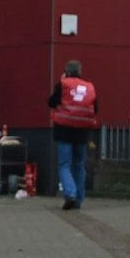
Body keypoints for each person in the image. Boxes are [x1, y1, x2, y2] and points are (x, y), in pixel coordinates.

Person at [46, 59, 98, 210]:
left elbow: (51, 102)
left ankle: (70, 194)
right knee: (79, 165)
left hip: (64, 129)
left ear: (67, 71)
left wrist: (61, 82)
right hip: (81, 131)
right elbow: (96, 108)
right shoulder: (89, 87)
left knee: (64, 164)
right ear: (80, 71)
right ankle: (79, 199)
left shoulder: (63, 84)